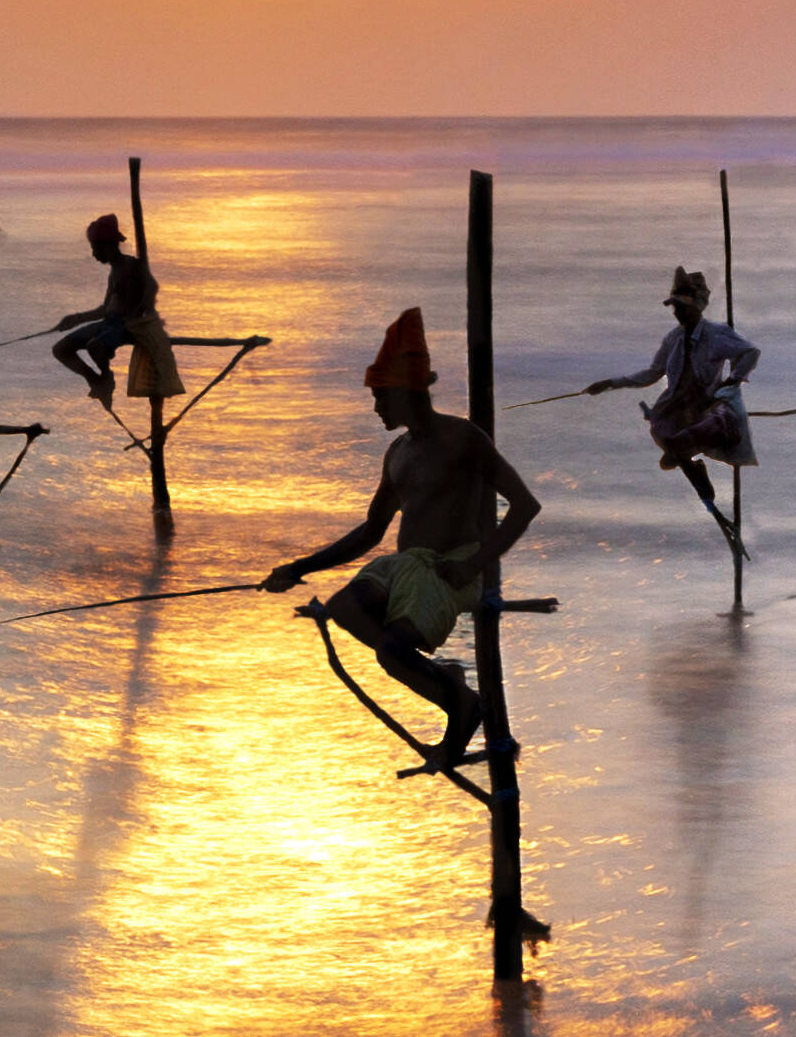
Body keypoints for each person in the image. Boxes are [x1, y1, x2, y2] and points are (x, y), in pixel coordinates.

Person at [259, 308, 540, 772]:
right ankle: (441, 677)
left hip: (453, 565)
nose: (376, 409)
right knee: (345, 607)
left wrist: (474, 566)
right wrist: (299, 568)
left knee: (392, 652)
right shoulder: (398, 453)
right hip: (407, 565)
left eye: (380, 397)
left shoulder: (463, 439)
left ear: (405, 394)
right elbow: (371, 531)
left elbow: (525, 506)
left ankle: (462, 708)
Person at [588, 264, 759, 543]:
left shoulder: (716, 334)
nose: (677, 312)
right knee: (663, 430)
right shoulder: (674, 338)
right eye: (675, 307)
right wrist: (611, 383)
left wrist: (734, 380)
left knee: (693, 437)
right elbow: (652, 374)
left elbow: (750, 352)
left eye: (681, 306)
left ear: (695, 307)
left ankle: (692, 469)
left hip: (708, 406)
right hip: (678, 408)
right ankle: (696, 476)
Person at [49, 211, 184, 410]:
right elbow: (105, 309)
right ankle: (96, 380)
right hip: (109, 322)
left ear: (110, 246)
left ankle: (106, 379)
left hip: (126, 325)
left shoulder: (132, 265)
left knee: (96, 346)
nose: (94, 254)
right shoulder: (114, 271)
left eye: (96, 249)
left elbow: (152, 287)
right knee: (60, 349)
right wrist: (75, 318)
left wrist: (139, 312)